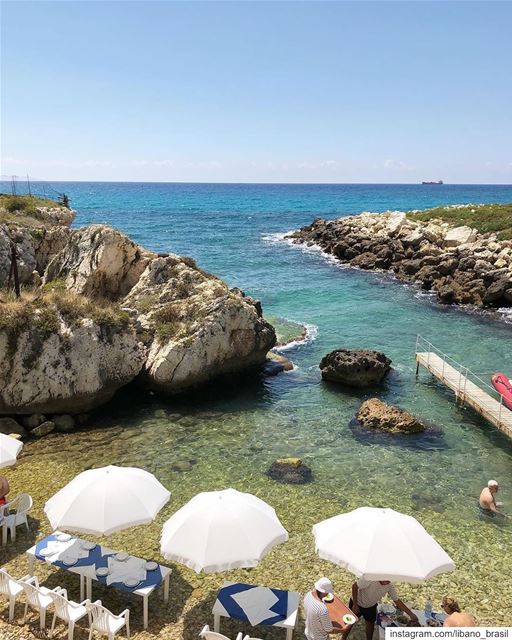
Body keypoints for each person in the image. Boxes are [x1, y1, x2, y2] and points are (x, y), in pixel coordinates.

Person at [347, 579, 418, 640]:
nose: (387, 582)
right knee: (349, 623)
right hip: (357, 602)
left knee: (370, 624)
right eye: (385, 579)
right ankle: (343, 637)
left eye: (389, 580)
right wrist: (355, 605)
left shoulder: (389, 585)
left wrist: (411, 614)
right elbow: (354, 586)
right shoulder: (369, 577)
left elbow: (397, 601)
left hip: (371, 605)